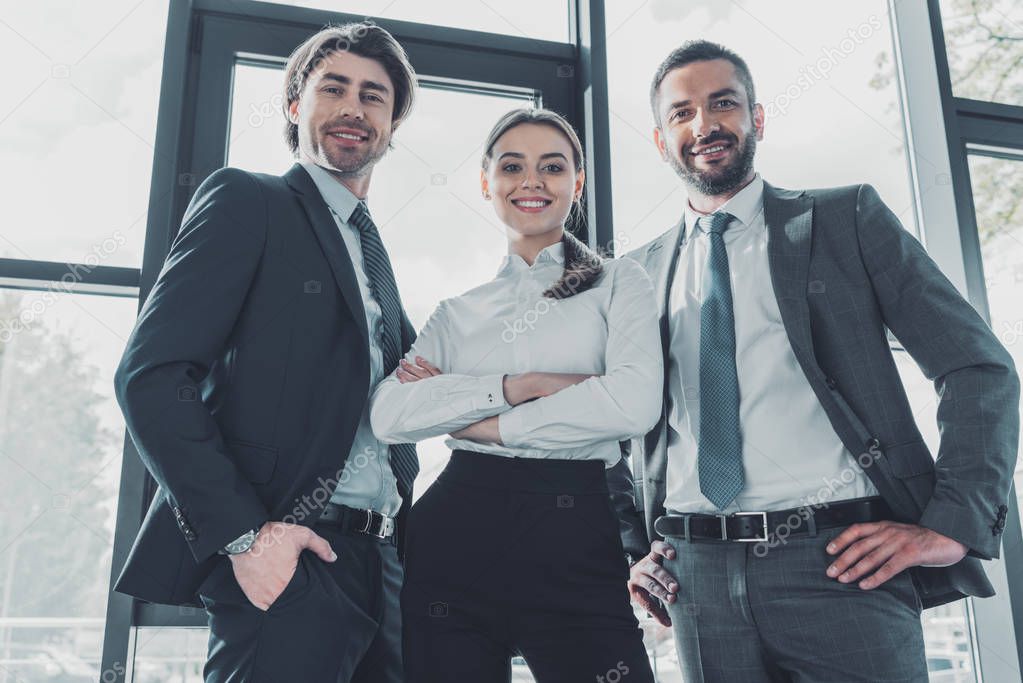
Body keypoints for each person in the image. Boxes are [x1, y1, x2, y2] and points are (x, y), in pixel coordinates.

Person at [614, 40, 1020, 682]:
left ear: (758, 117)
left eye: (724, 103)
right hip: (697, 580)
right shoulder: (632, 276)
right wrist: (631, 552)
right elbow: (608, 428)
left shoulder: (843, 220)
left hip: (838, 563)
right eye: (682, 113)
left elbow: (978, 368)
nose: (705, 126)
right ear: (661, 139)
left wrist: (952, 523)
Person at [113, 23, 420, 682]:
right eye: (332, 87)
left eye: (373, 96)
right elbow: (151, 376)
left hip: (382, 563)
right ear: (294, 105)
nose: (351, 108)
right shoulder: (249, 201)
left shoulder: (372, 253)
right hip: (293, 558)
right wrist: (247, 537)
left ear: (392, 125)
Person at [369, 108, 660, 683]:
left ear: (576, 182)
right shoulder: (457, 313)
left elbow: (634, 402)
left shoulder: (621, 282)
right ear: (486, 183)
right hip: (455, 532)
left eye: (552, 167)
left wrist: (484, 423)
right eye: (512, 166)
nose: (532, 181)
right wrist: (516, 388)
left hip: (576, 530)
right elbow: (389, 413)